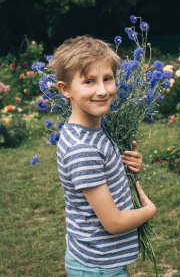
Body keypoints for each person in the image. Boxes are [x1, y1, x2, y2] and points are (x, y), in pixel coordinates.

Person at [49, 36, 156, 277]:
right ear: (65, 89)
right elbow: (114, 222)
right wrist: (149, 211)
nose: (102, 90)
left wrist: (124, 163)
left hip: (99, 259)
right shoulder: (82, 148)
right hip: (98, 267)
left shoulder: (93, 128)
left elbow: (102, 166)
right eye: (89, 81)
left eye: (107, 79)